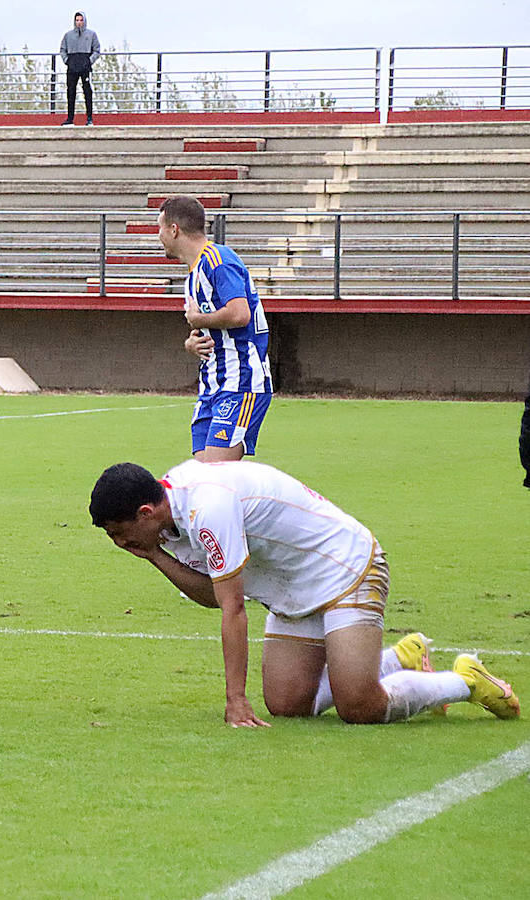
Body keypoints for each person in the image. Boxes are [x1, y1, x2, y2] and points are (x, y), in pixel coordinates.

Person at [88, 460, 520, 727]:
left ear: (146, 511)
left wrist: (235, 700)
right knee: (287, 704)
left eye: (121, 533)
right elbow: (213, 594)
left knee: (359, 706)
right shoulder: (167, 521)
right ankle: (397, 659)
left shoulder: (207, 507)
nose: (120, 543)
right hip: (292, 592)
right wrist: (151, 555)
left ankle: (465, 681)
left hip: (345, 568)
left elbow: (234, 609)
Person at [157, 194, 272, 463]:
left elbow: (239, 313)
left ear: (174, 230)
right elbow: (208, 326)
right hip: (211, 386)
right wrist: (191, 342)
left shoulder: (218, 260)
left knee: (214, 481)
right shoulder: (194, 274)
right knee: (203, 484)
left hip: (240, 382)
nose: (158, 236)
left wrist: (199, 321)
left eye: (160, 228)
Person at [59, 12, 100, 125]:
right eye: (77, 20)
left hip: (85, 67)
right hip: (72, 68)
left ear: (84, 21)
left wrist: (89, 61)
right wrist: (67, 61)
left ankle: (89, 118)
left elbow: (97, 50)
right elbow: (62, 50)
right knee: (71, 92)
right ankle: (70, 119)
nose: (79, 22)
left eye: (81, 20)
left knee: (87, 92)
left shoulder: (91, 34)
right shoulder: (68, 35)